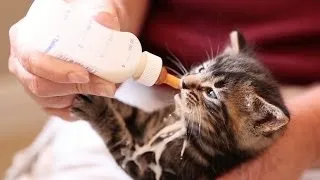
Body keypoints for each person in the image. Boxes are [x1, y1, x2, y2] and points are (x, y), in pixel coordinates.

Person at [7, 0, 320, 179]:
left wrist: (307, 136)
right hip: (134, 72)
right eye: (199, 73)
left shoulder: (255, 118)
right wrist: (101, 11)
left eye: (210, 92)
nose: (187, 82)